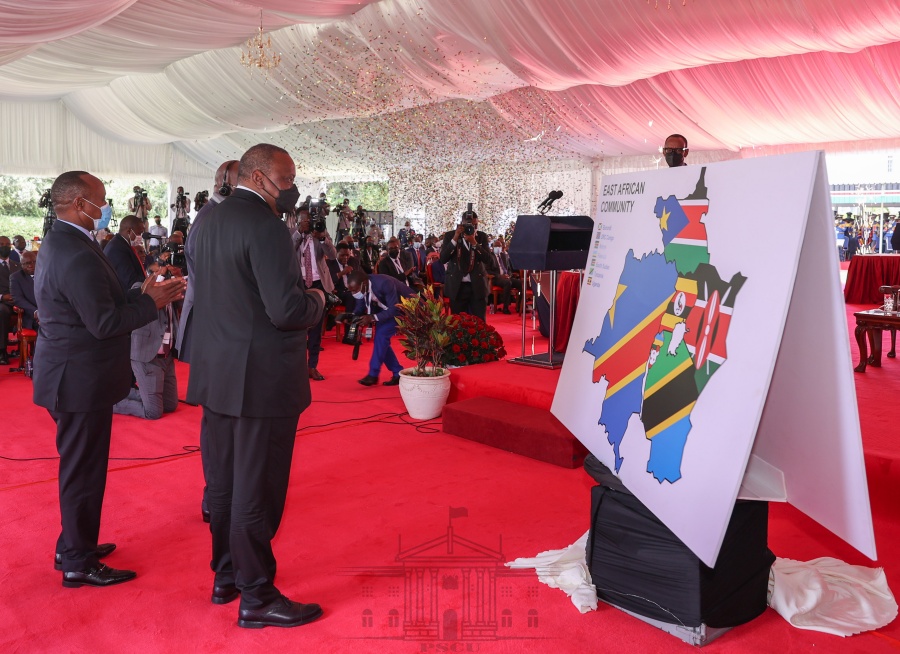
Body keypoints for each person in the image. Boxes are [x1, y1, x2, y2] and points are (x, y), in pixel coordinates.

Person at [186, 143, 326, 629]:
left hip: (217, 372)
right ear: (262, 178)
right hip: (260, 378)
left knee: (222, 484)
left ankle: (227, 576)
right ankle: (257, 594)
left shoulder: (207, 220)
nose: (292, 189)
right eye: (287, 180)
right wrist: (317, 299)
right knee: (256, 489)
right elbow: (285, 312)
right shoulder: (265, 227)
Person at [34, 171, 184, 587]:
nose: (106, 206)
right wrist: (149, 303)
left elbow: (100, 303)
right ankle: (78, 562)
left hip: (74, 375)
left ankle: (73, 545)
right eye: (101, 199)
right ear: (81, 204)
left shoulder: (66, 240)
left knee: (81, 468)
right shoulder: (74, 250)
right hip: (77, 379)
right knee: (83, 472)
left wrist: (141, 294)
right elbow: (103, 322)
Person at [175, 159, 238, 524]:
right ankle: (214, 495)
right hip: (211, 330)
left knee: (228, 418)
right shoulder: (208, 218)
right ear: (224, 183)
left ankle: (224, 490)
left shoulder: (221, 215)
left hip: (221, 331)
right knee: (217, 420)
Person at [288, 204, 337, 382]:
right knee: (297, 328)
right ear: (298, 220)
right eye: (304, 220)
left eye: (309, 220)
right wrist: (299, 234)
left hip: (318, 283)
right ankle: (297, 367)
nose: (307, 223)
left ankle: (312, 367)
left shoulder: (320, 231)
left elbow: (332, 256)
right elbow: (286, 253)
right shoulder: (292, 233)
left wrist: (323, 238)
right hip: (298, 283)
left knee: (316, 328)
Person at [347, 270, 416, 387]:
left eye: (354, 290)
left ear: (364, 284)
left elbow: (395, 309)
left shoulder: (384, 283)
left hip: (406, 309)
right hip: (385, 311)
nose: (353, 293)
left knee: (381, 336)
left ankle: (373, 374)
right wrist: (350, 316)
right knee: (381, 341)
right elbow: (359, 307)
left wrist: (372, 317)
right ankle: (397, 372)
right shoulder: (361, 287)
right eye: (351, 291)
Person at [439, 209, 492, 320]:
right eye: (470, 224)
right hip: (457, 286)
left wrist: (474, 243)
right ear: (462, 223)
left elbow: (488, 260)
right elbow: (443, 259)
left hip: (477, 285)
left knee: (480, 322)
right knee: (457, 323)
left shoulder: (481, 236)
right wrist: (455, 238)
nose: (472, 227)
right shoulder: (450, 235)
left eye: (475, 224)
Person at [103, 215, 147, 293]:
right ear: (129, 231)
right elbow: (130, 280)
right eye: (139, 233)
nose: (140, 237)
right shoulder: (117, 249)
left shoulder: (122, 245)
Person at [0, 235, 21, 365]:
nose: (5, 247)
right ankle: (2, 351)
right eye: (1, 244)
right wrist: (2, 297)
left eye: (7, 245)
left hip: (17, 300)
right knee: (2, 311)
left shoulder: (17, 265)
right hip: (2, 301)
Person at [10, 250, 39, 332]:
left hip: (49, 313)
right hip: (31, 316)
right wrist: (36, 311)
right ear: (21, 265)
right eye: (27, 263)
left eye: (34, 262)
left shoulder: (45, 274)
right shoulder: (16, 278)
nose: (31, 265)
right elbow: (18, 299)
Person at [488, 238, 515, 314]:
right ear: (493, 247)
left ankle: (519, 307)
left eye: (499, 246)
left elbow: (509, 269)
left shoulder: (504, 256)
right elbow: (487, 270)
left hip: (506, 277)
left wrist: (509, 275)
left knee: (520, 283)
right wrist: (500, 276)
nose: (498, 248)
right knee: (507, 283)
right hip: (496, 278)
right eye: (496, 246)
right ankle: (505, 308)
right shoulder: (490, 256)